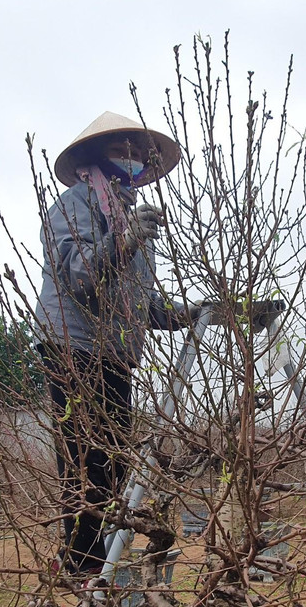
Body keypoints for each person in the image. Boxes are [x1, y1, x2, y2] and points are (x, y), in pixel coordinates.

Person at [33, 112, 194, 578]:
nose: (133, 156)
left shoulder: (130, 217)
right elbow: (82, 275)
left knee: (114, 458)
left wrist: (203, 310)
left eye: (137, 151)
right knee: (86, 456)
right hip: (76, 345)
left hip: (117, 353)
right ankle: (84, 569)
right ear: (95, 156)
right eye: (120, 148)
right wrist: (124, 240)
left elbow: (145, 305)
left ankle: (100, 560)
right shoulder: (75, 203)